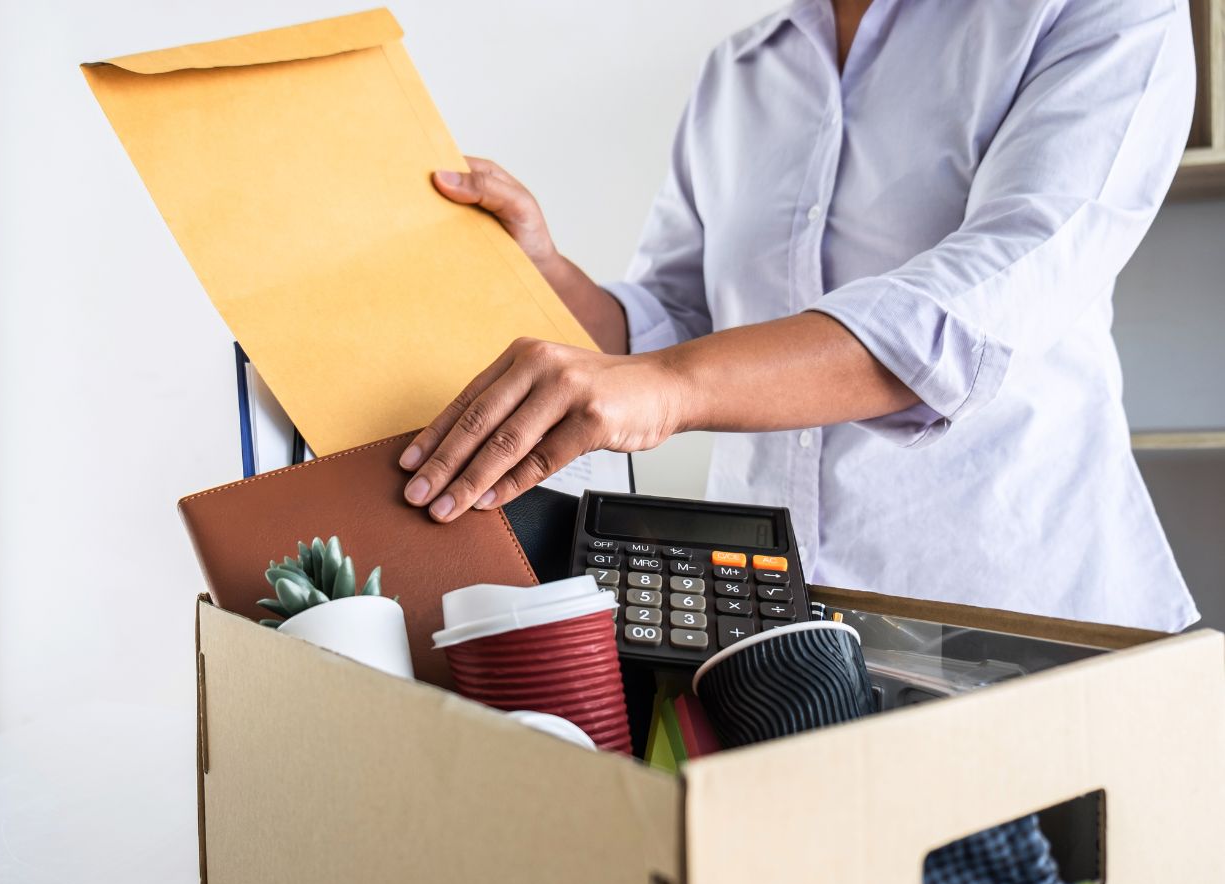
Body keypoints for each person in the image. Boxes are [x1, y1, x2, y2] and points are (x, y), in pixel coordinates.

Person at [398, 0, 1199, 630]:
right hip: (777, 622)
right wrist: (542, 270)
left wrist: (673, 386)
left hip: (1023, 617)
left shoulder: (1096, 14)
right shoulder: (740, 73)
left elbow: (972, 309)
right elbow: (673, 318)